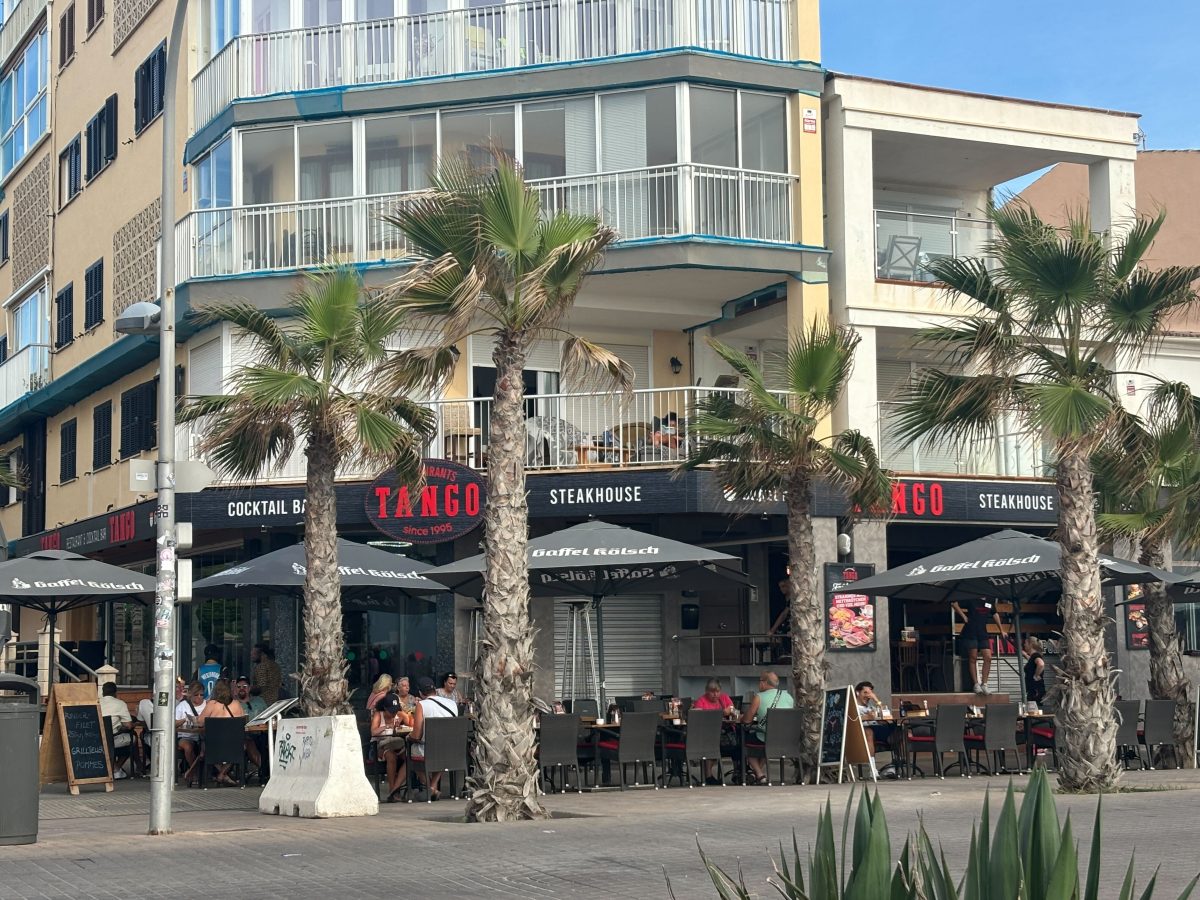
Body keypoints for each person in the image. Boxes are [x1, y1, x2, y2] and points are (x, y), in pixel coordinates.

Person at [198, 679, 260, 785]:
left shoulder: (212, 704)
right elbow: (243, 723)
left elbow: (199, 723)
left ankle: (221, 774)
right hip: (234, 746)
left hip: (214, 746)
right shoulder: (236, 704)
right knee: (242, 746)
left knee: (204, 747)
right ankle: (223, 774)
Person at [741, 671, 795, 785]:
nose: (759, 684)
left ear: (764, 683)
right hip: (786, 739)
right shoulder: (788, 697)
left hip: (766, 738)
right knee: (765, 741)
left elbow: (747, 720)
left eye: (759, 681)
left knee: (744, 742)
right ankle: (758, 773)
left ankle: (759, 774)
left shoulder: (759, 697)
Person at [408, 675, 458, 799]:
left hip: (427, 750)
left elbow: (417, 734)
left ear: (420, 692)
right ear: (435, 689)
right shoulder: (452, 703)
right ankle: (434, 786)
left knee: (409, 754)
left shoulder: (422, 705)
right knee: (440, 752)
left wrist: (408, 737)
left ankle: (430, 787)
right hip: (449, 750)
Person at [952, 597, 1008, 694]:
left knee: (988, 657)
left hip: (982, 632)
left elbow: (995, 613)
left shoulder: (989, 601)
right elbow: (954, 602)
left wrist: (1001, 630)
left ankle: (984, 684)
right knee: (973, 657)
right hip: (971, 631)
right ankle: (976, 684)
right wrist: (964, 617)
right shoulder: (971, 599)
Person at [691, 678, 736, 784]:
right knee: (712, 743)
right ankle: (708, 775)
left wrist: (731, 711)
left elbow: (733, 710)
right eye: (712, 691)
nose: (715, 694)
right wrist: (721, 713)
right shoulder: (701, 701)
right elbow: (697, 719)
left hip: (726, 734)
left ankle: (738, 773)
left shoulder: (724, 698)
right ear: (706, 691)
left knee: (738, 744)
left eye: (717, 691)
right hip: (707, 733)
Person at [371, 694, 411, 801]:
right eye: (391, 711)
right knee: (391, 757)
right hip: (382, 746)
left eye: (395, 711)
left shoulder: (398, 715)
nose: (393, 714)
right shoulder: (379, 715)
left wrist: (404, 720)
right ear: (385, 708)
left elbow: (411, 725)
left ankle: (395, 789)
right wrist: (387, 726)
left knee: (410, 757)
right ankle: (392, 789)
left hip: (398, 744)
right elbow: (373, 731)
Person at [175, 681, 207, 786]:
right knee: (188, 747)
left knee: (207, 747)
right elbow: (173, 723)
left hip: (203, 735)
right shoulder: (182, 705)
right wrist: (185, 719)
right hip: (186, 736)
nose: (199, 697)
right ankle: (195, 772)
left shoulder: (207, 704)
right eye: (196, 695)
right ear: (190, 694)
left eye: (201, 695)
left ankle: (196, 772)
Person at [99, 682, 133, 779]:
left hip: (94, 739)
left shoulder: (95, 702)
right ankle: (116, 768)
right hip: (111, 739)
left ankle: (113, 768)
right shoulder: (120, 703)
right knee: (132, 739)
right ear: (115, 693)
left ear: (102, 692)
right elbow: (128, 725)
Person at [1023, 635, 1046, 704]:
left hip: (1035, 690)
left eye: (1025, 643)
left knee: (1034, 712)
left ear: (1031, 645)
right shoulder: (1033, 657)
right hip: (1033, 689)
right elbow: (1031, 660)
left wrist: (1036, 675)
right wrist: (1025, 655)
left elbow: (1041, 664)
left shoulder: (1036, 656)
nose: (1024, 645)